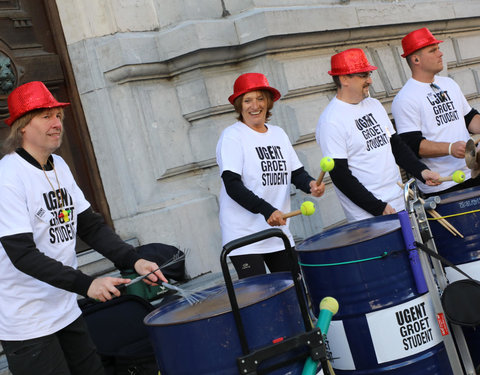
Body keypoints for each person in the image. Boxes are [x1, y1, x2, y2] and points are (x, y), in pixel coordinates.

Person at [0, 81, 168, 375]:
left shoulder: (59, 166)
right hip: (27, 320)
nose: (57, 124)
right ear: (23, 126)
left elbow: (90, 226)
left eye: (59, 116)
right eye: (46, 116)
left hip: (65, 308)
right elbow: (22, 254)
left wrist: (134, 260)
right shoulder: (8, 177)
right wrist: (87, 284)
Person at [216, 73, 325, 279]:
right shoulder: (232, 136)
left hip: (277, 231)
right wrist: (267, 211)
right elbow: (232, 186)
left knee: (294, 289)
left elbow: (296, 173)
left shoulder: (278, 134)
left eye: (260, 98)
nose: (254, 105)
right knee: (261, 297)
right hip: (244, 235)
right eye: (247, 100)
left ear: (268, 102)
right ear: (239, 105)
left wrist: (311, 184)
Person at [316, 48, 440, 222]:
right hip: (370, 216)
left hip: (400, 202)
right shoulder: (331, 121)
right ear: (344, 79)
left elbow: (396, 146)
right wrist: (377, 207)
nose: (370, 80)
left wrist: (421, 171)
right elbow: (340, 175)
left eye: (369, 74)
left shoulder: (374, 105)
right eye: (363, 75)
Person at [392, 27, 480, 196]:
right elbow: (412, 144)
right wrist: (449, 148)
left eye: (438, 49)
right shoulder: (405, 98)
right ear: (416, 59)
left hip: (474, 172)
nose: (440, 54)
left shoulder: (449, 84)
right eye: (433, 50)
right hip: (443, 184)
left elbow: (469, 118)